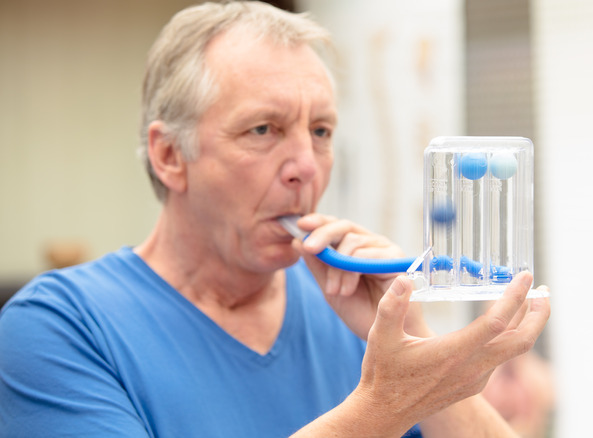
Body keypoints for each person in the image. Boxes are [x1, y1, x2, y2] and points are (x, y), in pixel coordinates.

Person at [0, 2, 551, 437]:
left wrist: (417, 342)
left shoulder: (357, 316)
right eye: (262, 130)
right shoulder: (55, 329)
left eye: (321, 131)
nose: (305, 168)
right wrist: (385, 406)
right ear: (170, 156)